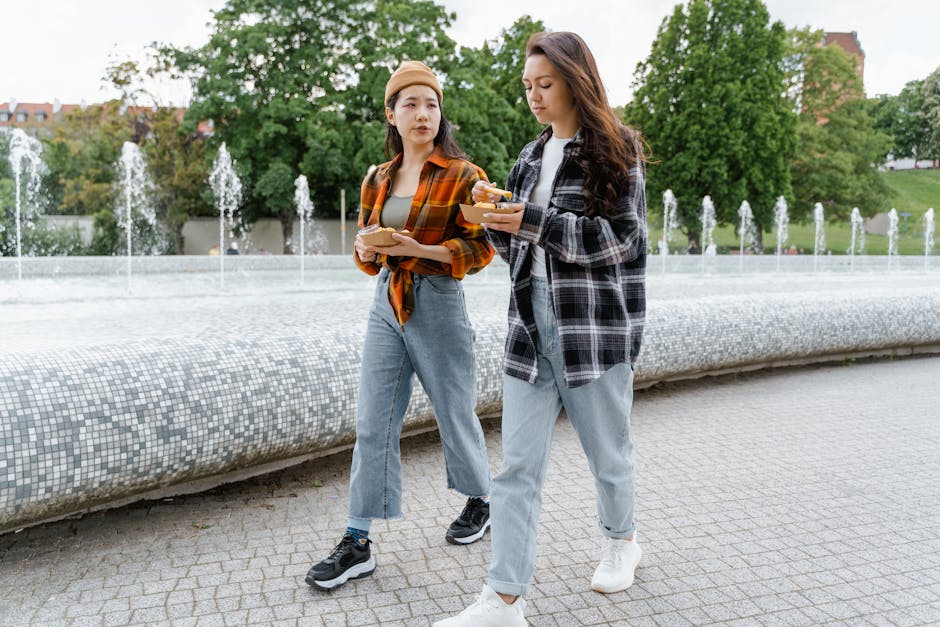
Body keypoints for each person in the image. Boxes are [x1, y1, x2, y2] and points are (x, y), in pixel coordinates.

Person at [435, 32, 648, 626]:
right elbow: (522, 250)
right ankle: (504, 599)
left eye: (544, 84)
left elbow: (617, 241)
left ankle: (622, 540)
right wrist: (495, 217)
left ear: (576, 80)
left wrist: (530, 219)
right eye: (528, 86)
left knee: (608, 455)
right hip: (530, 332)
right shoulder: (530, 157)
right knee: (515, 469)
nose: (533, 95)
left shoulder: (617, 150)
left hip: (594, 332)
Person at [305, 61, 495, 591]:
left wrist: (423, 250)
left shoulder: (464, 176)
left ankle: (482, 499)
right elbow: (367, 255)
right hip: (386, 302)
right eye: (410, 104)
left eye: (431, 104)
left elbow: (482, 248)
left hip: (438, 301)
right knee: (373, 422)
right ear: (391, 114)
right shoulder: (377, 177)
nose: (423, 113)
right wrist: (369, 247)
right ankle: (357, 540)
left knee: (455, 413)